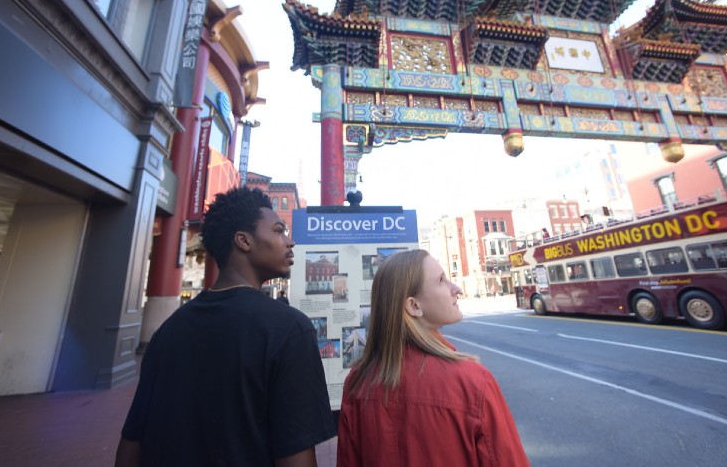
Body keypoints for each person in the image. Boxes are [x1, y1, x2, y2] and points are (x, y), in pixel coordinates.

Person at [115, 187, 335, 467]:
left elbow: (132, 442)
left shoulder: (168, 331)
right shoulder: (289, 329)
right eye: (279, 231)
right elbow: (296, 457)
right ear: (244, 241)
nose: (290, 242)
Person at [337, 249, 530, 467]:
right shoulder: (473, 382)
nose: (456, 289)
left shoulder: (357, 382)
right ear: (413, 306)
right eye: (441, 280)